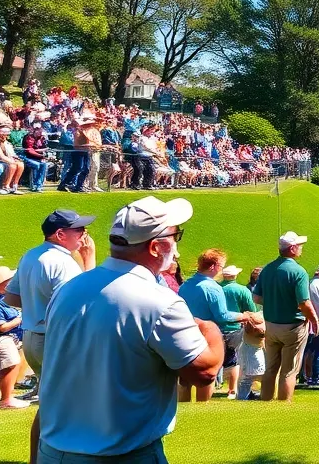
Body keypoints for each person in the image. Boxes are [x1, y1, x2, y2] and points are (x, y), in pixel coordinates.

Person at [37, 196, 223, 464]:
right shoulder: (160, 301)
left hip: (52, 451)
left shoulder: (68, 289)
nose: (176, 245)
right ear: (157, 247)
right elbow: (203, 373)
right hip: (121, 455)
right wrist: (210, 329)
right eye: (175, 235)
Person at [5, 210, 97, 391]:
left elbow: (11, 297)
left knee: (51, 401)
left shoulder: (30, 255)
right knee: (72, 399)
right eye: (79, 230)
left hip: (31, 340)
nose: (85, 234)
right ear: (60, 234)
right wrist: (89, 258)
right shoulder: (62, 261)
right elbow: (81, 302)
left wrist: (38, 307)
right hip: (55, 339)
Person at [178, 248, 255, 402]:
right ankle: (202, 407)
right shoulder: (213, 288)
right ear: (213, 266)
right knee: (207, 375)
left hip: (185, 334)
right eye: (221, 266)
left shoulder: (185, 285)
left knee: (185, 378)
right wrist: (244, 316)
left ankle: (184, 407)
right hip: (206, 336)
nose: (221, 270)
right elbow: (222, 316)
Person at [253, 230, 319, 401]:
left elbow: (257, 297)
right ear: (292, 248)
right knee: (289, 370)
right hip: (292, 326)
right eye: (299, 246)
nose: (301, 249)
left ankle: (265, 401)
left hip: (271, 325)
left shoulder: (267, 269)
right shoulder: (298, 272)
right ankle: (283, 405)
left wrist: (275, 302)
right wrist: (313, 319)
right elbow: (304, 302)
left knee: (270, 369)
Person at [219, 264, 259, 399]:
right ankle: (232, 389)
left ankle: (211, 386)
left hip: (215, 328)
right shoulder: (242, 290)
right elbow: (251, 309)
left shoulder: (215, 288)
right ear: (235, 275)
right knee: (235, 360)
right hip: (235, 328)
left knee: (217, 359)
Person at [0, 265, 28, 409]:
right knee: (11, 364)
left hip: (12, 339)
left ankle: (3, 396)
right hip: (3, 338)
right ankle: (6, 399)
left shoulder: (4, 299)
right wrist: (19, 319)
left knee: (3, 367)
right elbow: (1, 327)